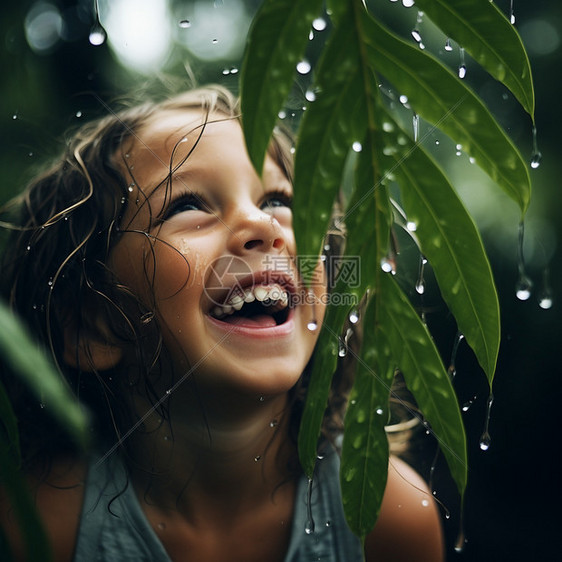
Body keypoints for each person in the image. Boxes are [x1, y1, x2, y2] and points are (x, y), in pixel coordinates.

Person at [0, 85, 444, 561]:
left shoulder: (386, 519)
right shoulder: (40, 530)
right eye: (187, 205)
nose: (264, 226)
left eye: (278, 200)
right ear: (93, 328)